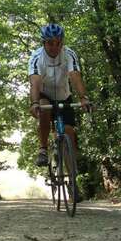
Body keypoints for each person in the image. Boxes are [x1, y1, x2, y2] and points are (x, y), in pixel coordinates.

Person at [27, 23, 91, 175]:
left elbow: (75, 76)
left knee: (69, 132)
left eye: (58, 43)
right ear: (44, 43)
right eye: (50, 43)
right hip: (44, 94)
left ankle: (72, 180)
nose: (54, 47)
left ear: (62, 42)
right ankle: (43, 149)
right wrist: (34, 103)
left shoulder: (68, 54)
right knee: (43, 108)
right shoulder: (36, 57)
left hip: (64, 96)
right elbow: (35, 82)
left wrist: (83, 98)